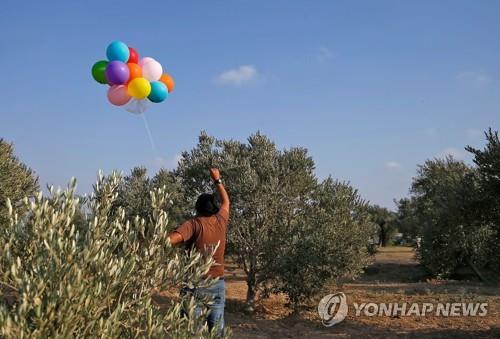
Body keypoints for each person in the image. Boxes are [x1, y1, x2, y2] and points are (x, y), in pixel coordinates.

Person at [168, 168, 229, 333]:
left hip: (196, 284)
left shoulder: (193, 224)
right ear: (214, 208)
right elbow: (226, 202)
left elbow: (170, 241)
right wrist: (217, 180)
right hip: (217, 284)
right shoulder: (221, 220)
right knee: (216, 331)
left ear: (197, 208)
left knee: (191, 330)